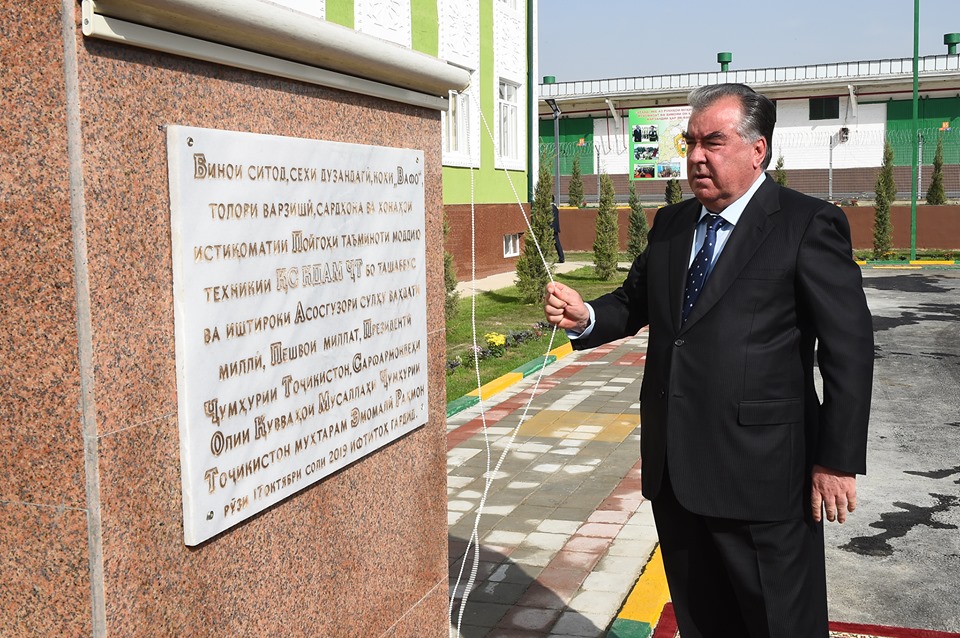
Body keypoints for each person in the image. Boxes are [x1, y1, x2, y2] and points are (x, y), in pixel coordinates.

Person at [544, 83, 873, 638]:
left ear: (757, 150)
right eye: (690, 142)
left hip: (764, 477)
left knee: (780, 626)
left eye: (713, 142)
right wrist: (586, 316)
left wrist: (836, 460)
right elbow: (635, 302)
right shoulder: (672, 225)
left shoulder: (806, 224)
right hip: (676, 473)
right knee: (703, 624)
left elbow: (850, 348)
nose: (696, 157)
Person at [552, 196, 564, 263]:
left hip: (551, 228)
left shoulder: (550, 208)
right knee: (557, 244)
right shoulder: (555, 208)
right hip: (555, 228)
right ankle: (561, 258)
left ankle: (561, 258)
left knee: (556, 243)